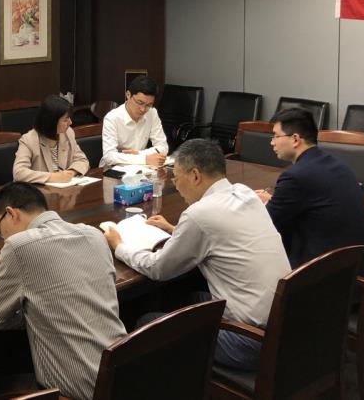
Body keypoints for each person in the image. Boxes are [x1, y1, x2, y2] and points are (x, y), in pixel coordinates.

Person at [104, 139, 290, 371]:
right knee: (188, 297)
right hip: (283, 325)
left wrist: (118, 246)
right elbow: (223, 234)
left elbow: (158, 269)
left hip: (250, 340)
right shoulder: (244, 193)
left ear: (195, 175)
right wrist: (175, 230)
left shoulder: (200, 214)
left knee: (144, 323)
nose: (175, 184)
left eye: (176, 177)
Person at [0, 182, 126, 400]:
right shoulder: (94, 235)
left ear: (11, 214)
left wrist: (34, 312)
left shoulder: (19, 246)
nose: (4, 237)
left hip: (79, 392)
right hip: (123, 374)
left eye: (0, 230)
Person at [257, 108, 364, 270]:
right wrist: (272, 199)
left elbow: (267, 223)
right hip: (357, 260)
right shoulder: (336, 164)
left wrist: (256, 203)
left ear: (295, 139)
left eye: (276, 136)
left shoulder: (295, 177)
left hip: (326, 270)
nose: (272, 142)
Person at [13, 94, 90, 184]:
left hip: (66, 189)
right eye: (65, 120)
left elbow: (82, 160)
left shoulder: (68, 133)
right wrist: (53, 177)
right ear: (51, 122)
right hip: (39, 191)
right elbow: (18, 173)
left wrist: (70, 173)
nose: (70, 122)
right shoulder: (29, 140)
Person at [99, 74, 168, 167]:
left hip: (141, 167)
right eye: (140, 102)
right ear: (128, 95)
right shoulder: (112, 118)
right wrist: (144, 159)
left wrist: (139, 154)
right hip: (114, 168)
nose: (143, 109)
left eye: (149, 105)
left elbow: (163, 147)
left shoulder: (152, 113)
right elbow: (109, 156)